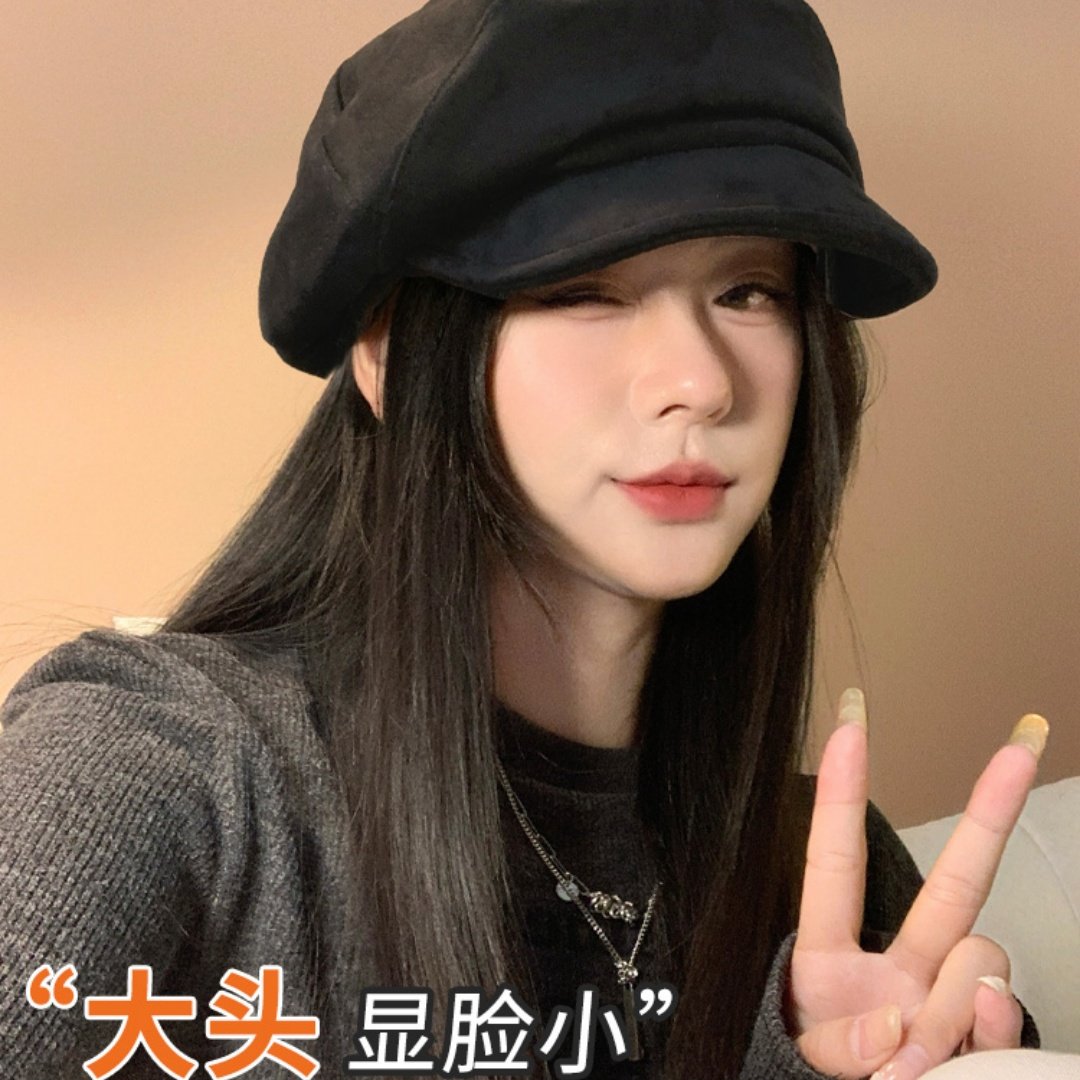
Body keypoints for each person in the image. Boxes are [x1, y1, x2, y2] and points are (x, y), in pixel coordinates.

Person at [0, 2, 1050, 1078]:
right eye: (584, 288)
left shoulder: (826, 873)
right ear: (388, 355)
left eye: (749, 291)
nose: (700, 381)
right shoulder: (160, 770)